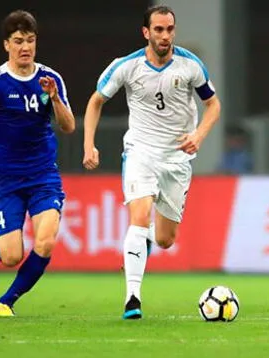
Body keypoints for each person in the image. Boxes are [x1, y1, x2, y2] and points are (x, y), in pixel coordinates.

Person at [81, 5, 221, 320]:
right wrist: (88, 144)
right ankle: (133, 298)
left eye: (169, 29)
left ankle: (137, 250)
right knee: (139, 216)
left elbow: (213, 105)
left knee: (164, 239)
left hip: (177, 158)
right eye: (158, 29)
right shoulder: (126, 66)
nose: (165, 35)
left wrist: (198, 135)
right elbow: (95, 101)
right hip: (140, 151)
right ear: (146, 32)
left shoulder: (190, 65)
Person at [0, 10, 76, 317]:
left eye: (30, 40)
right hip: (9, 181)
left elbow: (68, 127)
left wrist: (54, 98)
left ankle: (6, 301)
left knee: (45, 243)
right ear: (6, 45)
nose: (25, 47)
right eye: (18, 41)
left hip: (44, 177)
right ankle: (0, 242)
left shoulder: (50, 79)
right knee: (12, 256)